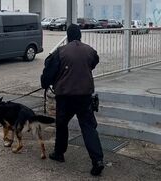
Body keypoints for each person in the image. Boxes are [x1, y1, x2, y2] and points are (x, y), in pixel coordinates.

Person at [41, 24, 104, 176]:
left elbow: (48, 74)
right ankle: (97, 161)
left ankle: (59, 153)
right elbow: (94, 62)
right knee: (88, 128)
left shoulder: (60, 52)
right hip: (85, 96)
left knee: (62, 125)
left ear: (68, 36)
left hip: (65, 97)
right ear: (80, 35)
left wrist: (45, 83)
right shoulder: (89, 50)